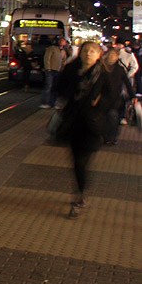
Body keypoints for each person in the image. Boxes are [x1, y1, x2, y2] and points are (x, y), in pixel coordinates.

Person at [55, 41, 109, 219]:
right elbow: (60, 90)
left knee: (81, 161)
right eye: (85, 50)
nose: (88, 54)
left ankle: (79, 196)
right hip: (73, 123)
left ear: (99, 54)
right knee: (76, 161)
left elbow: (113, 98)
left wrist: (99, 104)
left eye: (92, 51)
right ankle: (80, 191)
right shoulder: (71, 70)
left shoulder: (103, 74)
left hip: (92, 125)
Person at [100, 48, 132, 145]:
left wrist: (132, 95)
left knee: (111, 118)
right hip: (109, 97)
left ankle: (110, 138)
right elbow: (127, 83)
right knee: (112, 118)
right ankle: (110, 137)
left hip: (111, 98)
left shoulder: (106, 68)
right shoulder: (103, 67)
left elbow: (127, 83)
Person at [40, 37, 68, 108]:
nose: (62, 42)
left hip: (58, 71)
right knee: (48, 86)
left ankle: (53, 103)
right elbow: (47, 58)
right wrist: (48, 68)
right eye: (61, 41)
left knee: (55, 87)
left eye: (64, 41)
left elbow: (64, 61)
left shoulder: (63, 51)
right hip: (51, 70)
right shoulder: (52, 48)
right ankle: (45, 102)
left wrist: (63, 69)